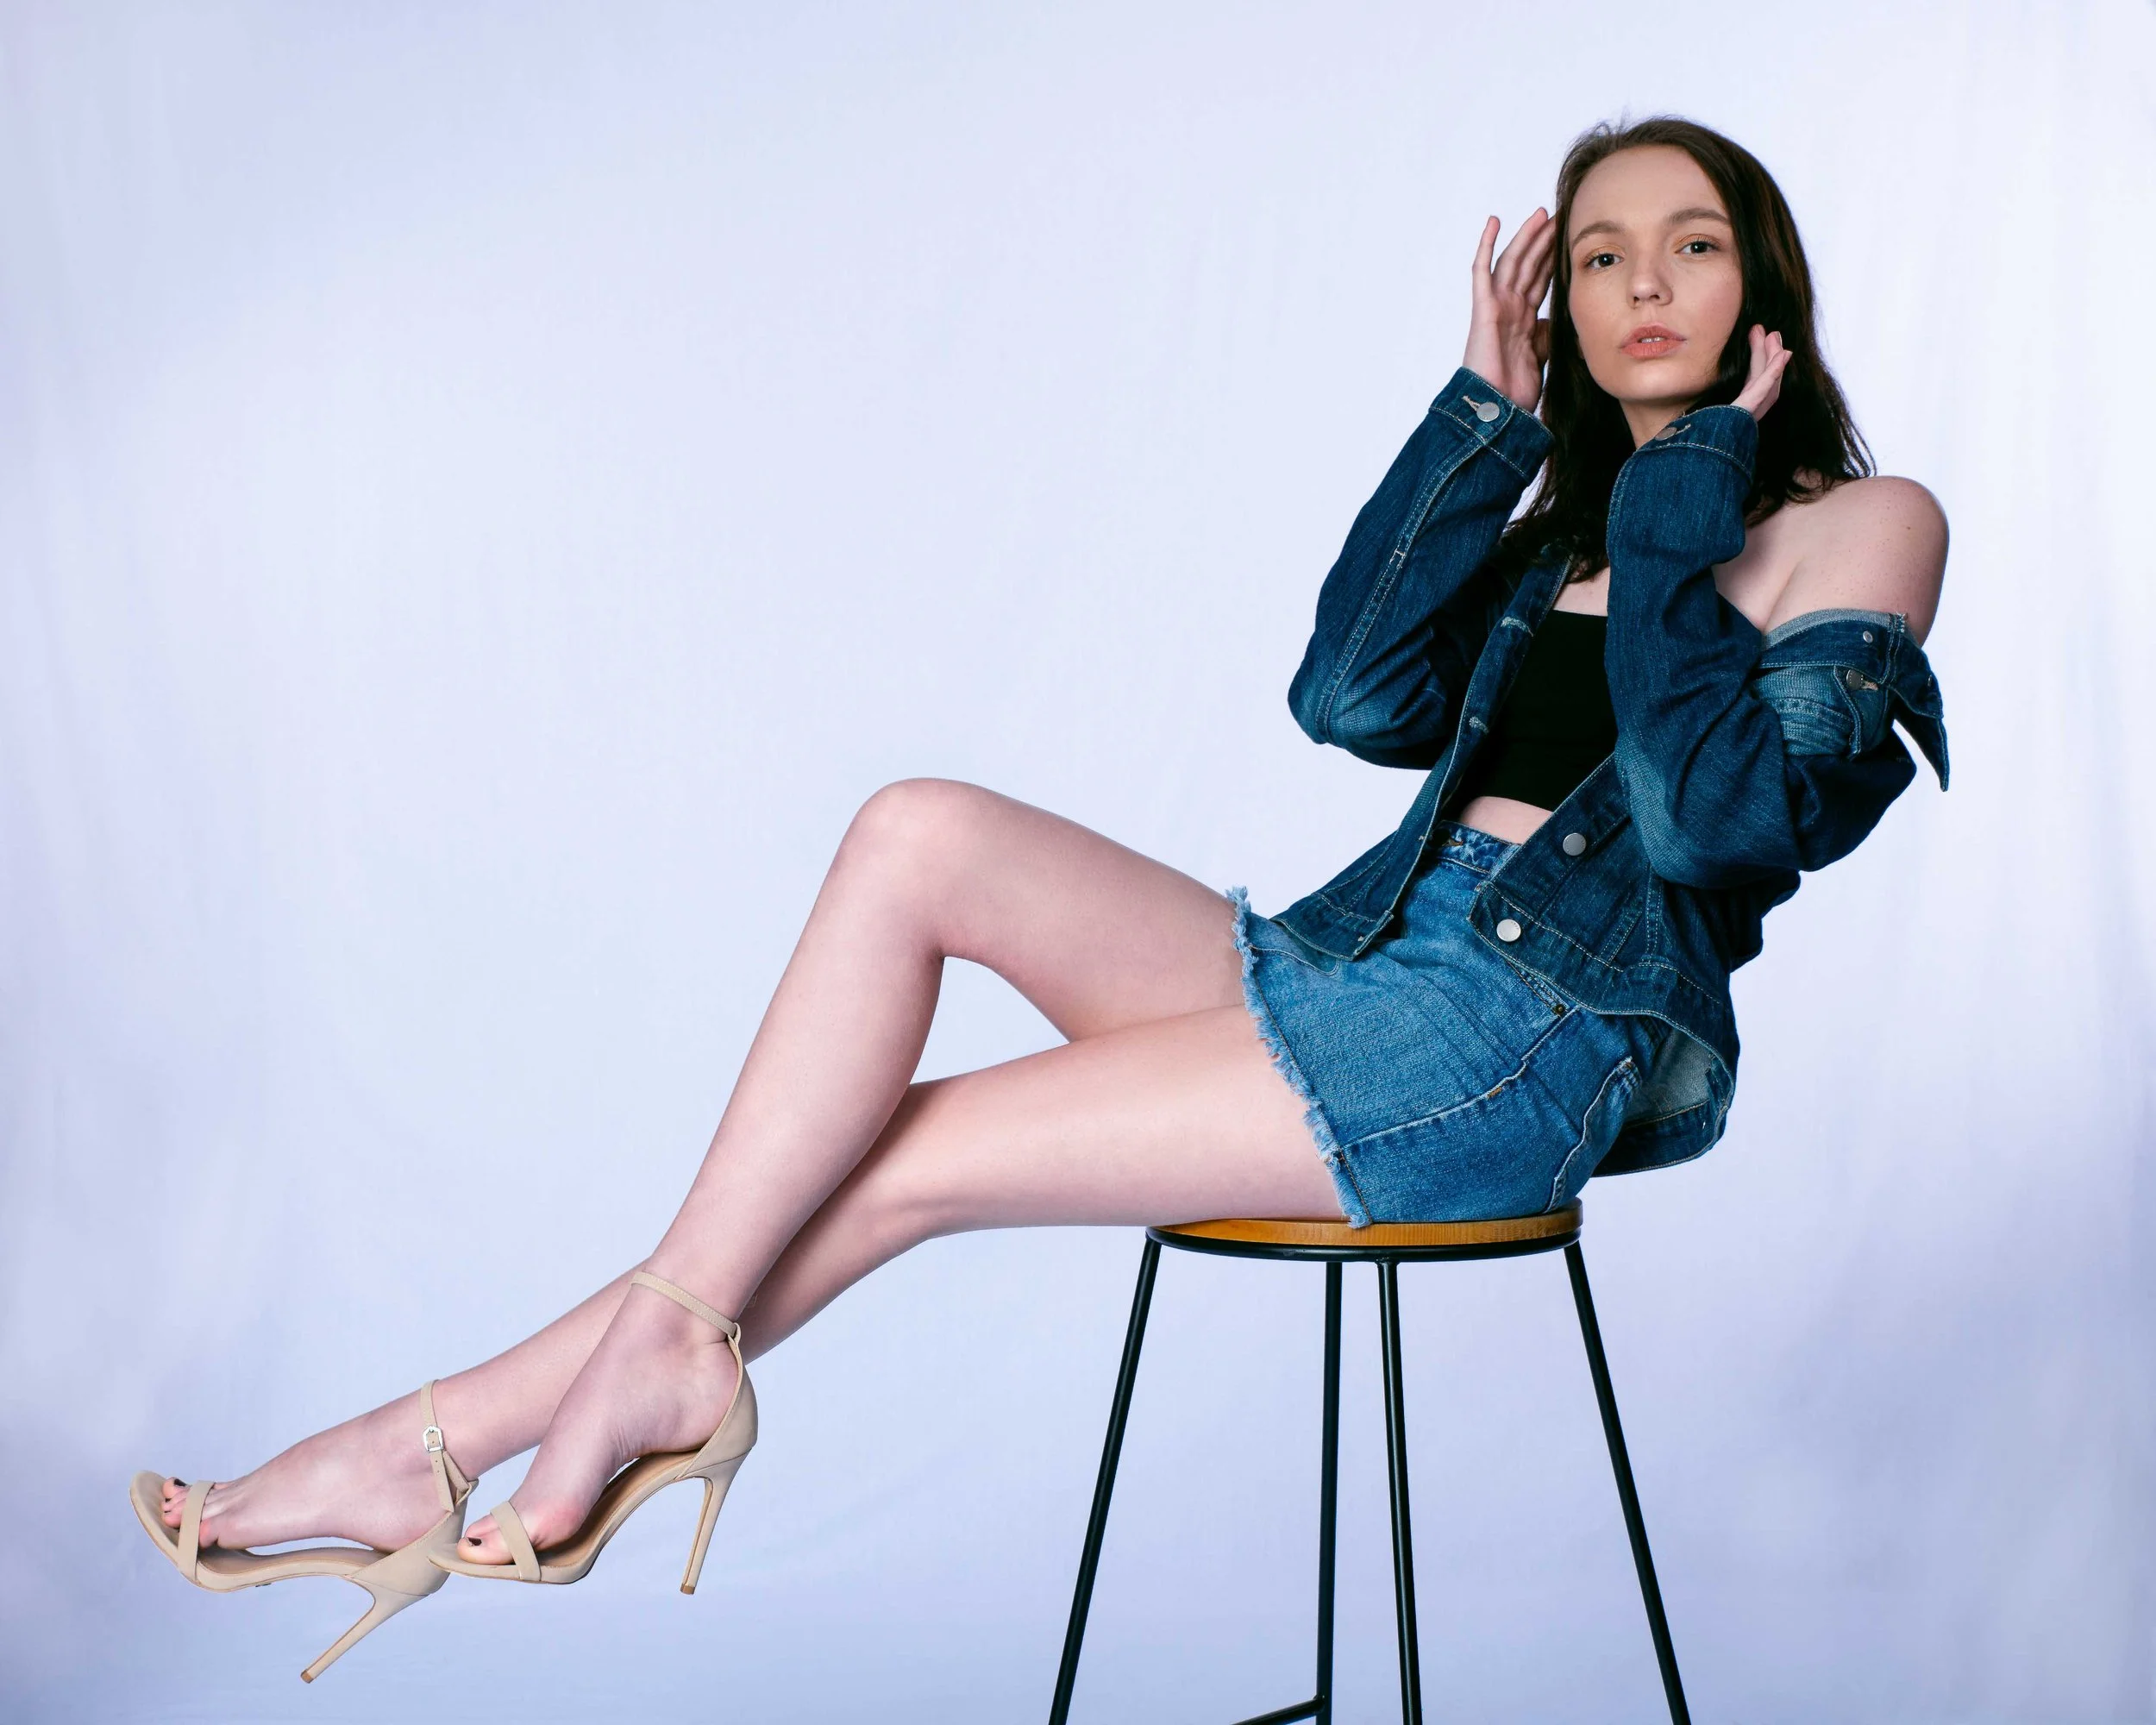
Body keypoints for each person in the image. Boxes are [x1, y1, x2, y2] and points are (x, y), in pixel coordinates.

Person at [131, 115, 1950, 1677]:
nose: (1641, 284)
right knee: (913, 832)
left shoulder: (1856, 528)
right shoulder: (1561, 521)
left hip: (1509, 1044)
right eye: (1602, 253)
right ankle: (587, 1388)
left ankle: (422, 1441)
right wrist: (1480, 420)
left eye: (1689, 245)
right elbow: (1346, 698)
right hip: (1363, 965)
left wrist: (1676, 507)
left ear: (1756, 283)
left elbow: (1718, 827)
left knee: (903, 1150)